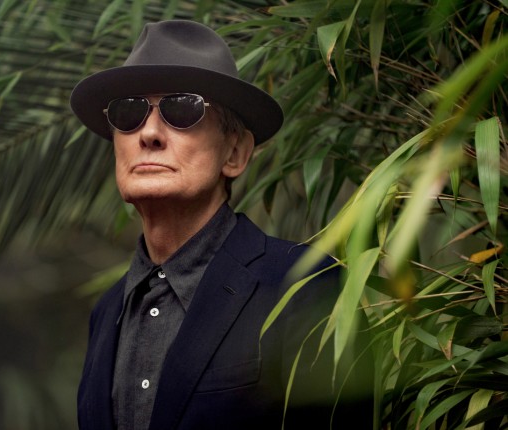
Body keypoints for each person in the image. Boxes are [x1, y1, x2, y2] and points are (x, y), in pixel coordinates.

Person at [70, 20, 371, 430]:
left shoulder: (304, 285)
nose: (150, 133)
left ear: (235, 153)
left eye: (182, 109)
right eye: (129, 112)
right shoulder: (107, 312)